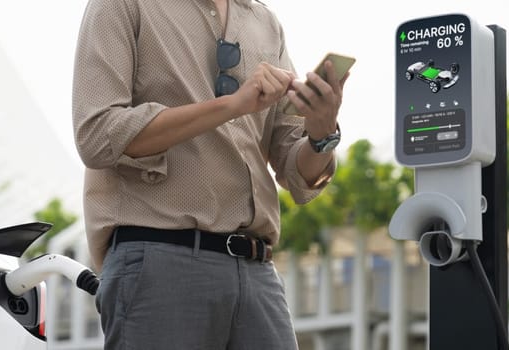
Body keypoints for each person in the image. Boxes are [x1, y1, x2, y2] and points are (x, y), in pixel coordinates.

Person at [72, 0, 348, 348]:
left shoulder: (264, 22)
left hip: (257, 272)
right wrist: (231, 106)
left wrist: (322, 134)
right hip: (160, 265)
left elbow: (297, 174)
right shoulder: (123, 5)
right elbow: (97, 134)